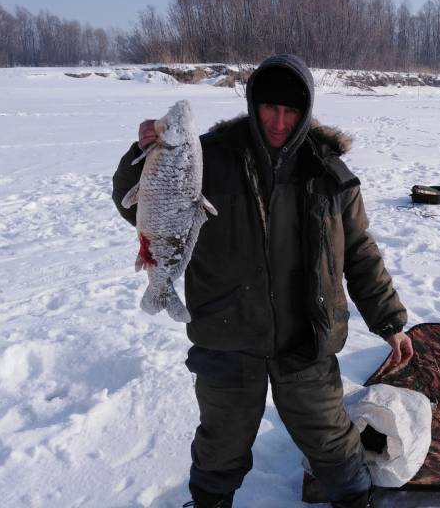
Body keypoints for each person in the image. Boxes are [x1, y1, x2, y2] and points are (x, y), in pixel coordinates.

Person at [112, 54, 413, 508]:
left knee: (330, 436)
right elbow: (137, 205)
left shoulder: (329, 173)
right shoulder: (209, 156)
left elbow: (359, 252)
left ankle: (354, 501)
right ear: (253, 104)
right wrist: (145, 155)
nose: (278, 121)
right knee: (221, 441)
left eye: (290, 111)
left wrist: (389, 319)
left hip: (305, 335)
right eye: (270, 108)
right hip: (228, 332)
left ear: (305, 111)